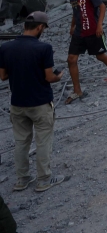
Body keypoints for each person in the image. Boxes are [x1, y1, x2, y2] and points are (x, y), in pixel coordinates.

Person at [0, 10, 64, 192]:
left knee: (21, 142)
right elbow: (49, 77)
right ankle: (43, 180)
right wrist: (59, 76)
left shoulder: (5, 48)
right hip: (40, 103)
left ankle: (22, 179)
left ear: (24, 26)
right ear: (39, 27)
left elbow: (3, 76)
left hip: (17, 104)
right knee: (43, 140)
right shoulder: (43, 48)